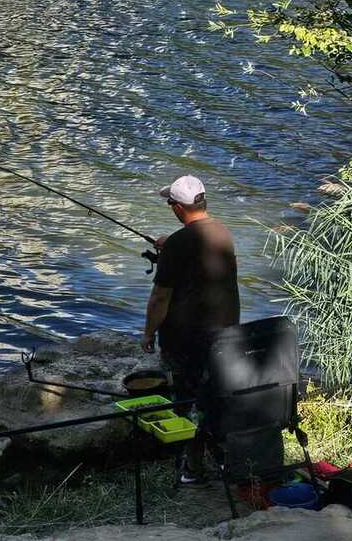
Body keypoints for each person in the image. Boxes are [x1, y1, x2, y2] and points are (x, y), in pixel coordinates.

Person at [141, 175, 240, 483]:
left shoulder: (179, 244)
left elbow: (160, 298)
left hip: (187, 340)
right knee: (215, 395)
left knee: (186, 401)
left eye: (171, 203)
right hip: (225, 334)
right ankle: (224, 458)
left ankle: (191, 466)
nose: (170, 208)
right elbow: (197, 255)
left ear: (178, 208)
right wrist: (170, 245)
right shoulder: (222, 232)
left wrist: (148, 334)